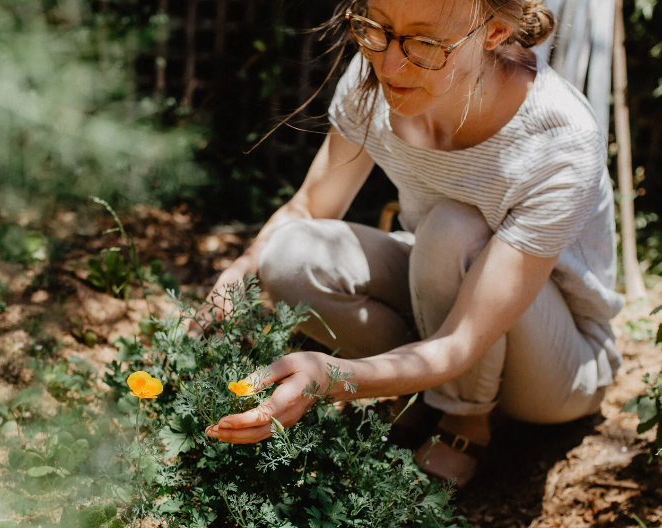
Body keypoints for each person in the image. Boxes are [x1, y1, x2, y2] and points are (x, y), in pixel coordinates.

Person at [192, 0, 625, 488]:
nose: (391, 65)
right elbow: (311, 207)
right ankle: (426, 396)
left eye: (426, 43)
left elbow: (461, 342)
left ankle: (464, 421)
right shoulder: (376, 72)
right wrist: (239, 275)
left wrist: (335, 377)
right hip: (444, 297)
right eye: (378, 27)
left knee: (452, 228)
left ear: (495, 33)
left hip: (554, 374)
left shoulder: (558, 138)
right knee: (289, 254)